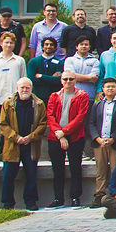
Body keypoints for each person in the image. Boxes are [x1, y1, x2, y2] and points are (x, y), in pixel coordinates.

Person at [0, 78, 46, 211]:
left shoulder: (39, 104)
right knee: (8, 175)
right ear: (17, 88)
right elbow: (3, 124)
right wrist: (16, 137)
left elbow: (42, 124)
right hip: (13, 145)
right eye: (22, 88)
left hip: (31, 145)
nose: (25, 90)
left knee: (31, 175)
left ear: (31, 89)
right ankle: (7, 203)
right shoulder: (8, 104)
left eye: (27, 88)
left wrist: (30, 137)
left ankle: (30, 201)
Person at [45, 70, 89, 208]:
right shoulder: (54, 96)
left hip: (75, 136)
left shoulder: (82, 96)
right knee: (57, 168)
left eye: (71, 79)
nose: (68, 82)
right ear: (61, 81)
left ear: (75, 80)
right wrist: (59, 133)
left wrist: (64, 132)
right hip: (55, 136)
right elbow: (50, 116)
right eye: (65, 79)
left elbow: (80, 117)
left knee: (75, 168)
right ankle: (58, 198)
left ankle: (75, 197)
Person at [86, 77, 116, 208]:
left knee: (115, 169)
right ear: (103, 89)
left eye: (113, 87)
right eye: (107, 87)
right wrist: (97, 138)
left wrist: (113, 138)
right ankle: (99, 195)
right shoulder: (97, 105)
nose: (110, 89)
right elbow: (91, 123)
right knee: (101, 170)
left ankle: (115, 195)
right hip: (99, 142)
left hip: (115, 143)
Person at [0, 32, 27, 109]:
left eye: (11, 43)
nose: (9, 45)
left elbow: (23, 80)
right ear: (1, 43)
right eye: (6, 42)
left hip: (14, 100)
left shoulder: (20, 61)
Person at [26, 36, 63, 102]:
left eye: (51, 45)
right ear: (42, 47)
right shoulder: (33, 62)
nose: (49, 46)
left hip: (54, 98)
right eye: (46, 44)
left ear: (55, 48)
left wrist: (41, 76)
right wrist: (51, 79)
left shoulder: (60, 63)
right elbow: (31, 79)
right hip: (36, 96)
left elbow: (59, 80)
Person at [64, 36, 99, 100]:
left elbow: (94, 78)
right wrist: (89, 78)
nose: (84, 46)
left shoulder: (95, 61)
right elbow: (70, 77)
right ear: (76, 47)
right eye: (81, 44)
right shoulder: (69, 60)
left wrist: (76, 77)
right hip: (72, 96)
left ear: (89, 47)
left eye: (86, 44)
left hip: (89, 96)